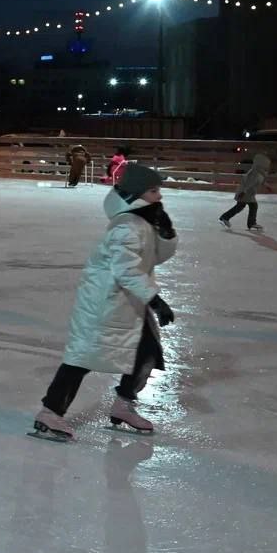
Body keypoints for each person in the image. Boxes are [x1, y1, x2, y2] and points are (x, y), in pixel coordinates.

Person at [31, 164, 178, 442]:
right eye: (153, 191)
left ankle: (123, 404)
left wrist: (165, 232)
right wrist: (155, 299)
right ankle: (50, 413)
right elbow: (126, 270)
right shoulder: (126, 227)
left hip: (128, 304)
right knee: (82, 358)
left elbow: (154, 256)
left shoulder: (141, 221)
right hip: (105, 305)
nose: (159, 196)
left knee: (147, 353)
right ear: (136, 193)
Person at [220, 153, 270, 231]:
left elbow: (260, 181)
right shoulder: (254, 172)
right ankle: (250, 223)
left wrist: (267, 186)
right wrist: (243, 192)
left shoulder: (260, 173)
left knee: (243, 206)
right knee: (249, 206)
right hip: (245, 193)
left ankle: (226, 217)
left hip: (249, 193)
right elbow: (248, 183)